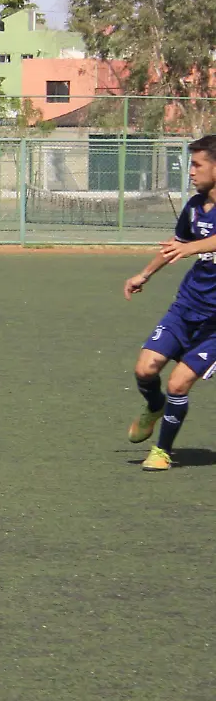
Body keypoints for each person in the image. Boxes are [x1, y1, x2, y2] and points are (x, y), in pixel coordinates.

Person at [123, 135, 216, 471]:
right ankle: (154, 405)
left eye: (197, 164)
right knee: (144, 369)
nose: (190, 171)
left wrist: (197, 247)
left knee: (179, 382)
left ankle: (161, 451)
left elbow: (194, 246)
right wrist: (144, 274)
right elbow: (176, 244)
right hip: (187, 307)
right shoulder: (194, 206)